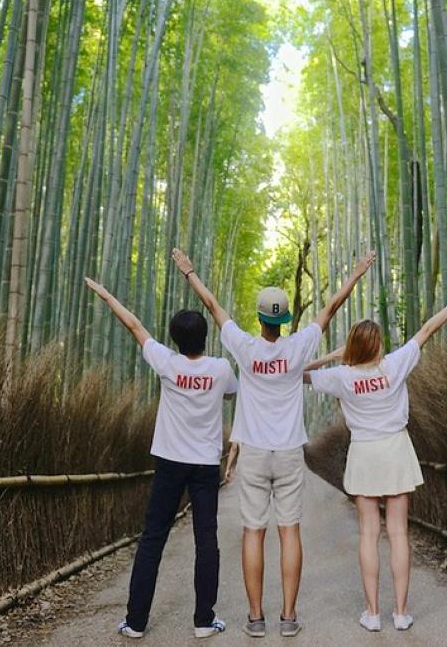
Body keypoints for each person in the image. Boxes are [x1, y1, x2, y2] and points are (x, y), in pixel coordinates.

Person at [172, 247, 375, 638]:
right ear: (282, 318)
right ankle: (288, 615)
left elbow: (213, 306)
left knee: (254, 532)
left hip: (253, 454)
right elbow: (331, 307)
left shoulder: (245, 348)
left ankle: (254, 617)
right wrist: (357, 273)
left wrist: (190, 272)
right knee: (289, 531)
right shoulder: (298, 346)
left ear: (260, 317)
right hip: (286, 453)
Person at [304, 282, 447, 632]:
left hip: (365, 453)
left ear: (353, 347)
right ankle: (400, 613)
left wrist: (333, 357)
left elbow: (296, 374)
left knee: (369, 534)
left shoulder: (342, 377)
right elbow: (429, 328)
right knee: (398, 532)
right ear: (378, 344)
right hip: (396, 450)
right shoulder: (395, 365)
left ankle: (372, 614)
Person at [84, 277, 238, 640]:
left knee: (153, 538)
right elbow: (232, 395)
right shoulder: (220, 369)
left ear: (175, 339)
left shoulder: (166, 362)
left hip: (169, 461)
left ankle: (135, 622)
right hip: (204, 464)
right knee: (207, 540)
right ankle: (204, 621)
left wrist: (108, 294)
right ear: (206, 337)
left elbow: (134, 325)